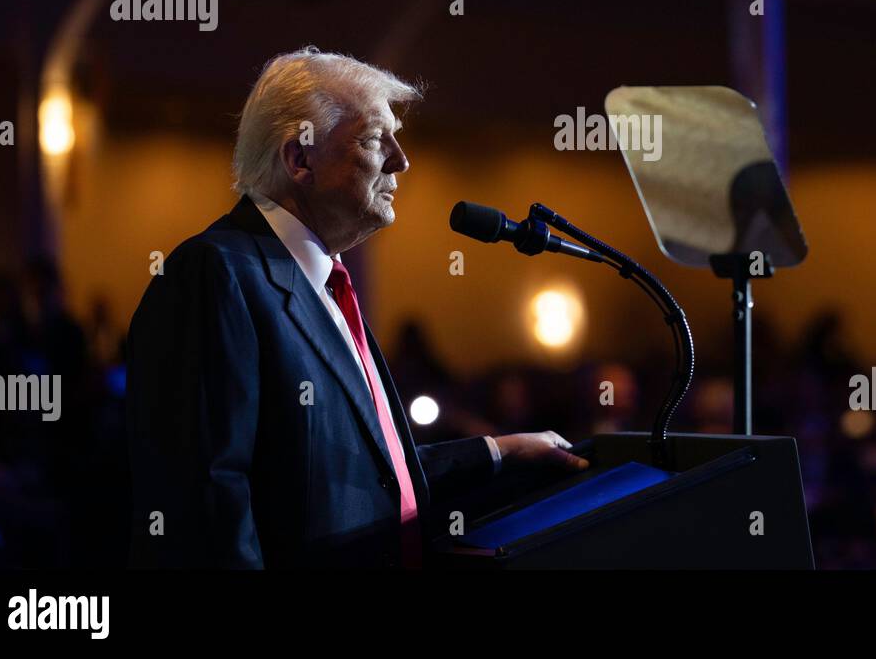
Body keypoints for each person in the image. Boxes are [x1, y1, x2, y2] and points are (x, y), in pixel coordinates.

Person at [126, 47, 587, 568]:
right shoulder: (217, 273)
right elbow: (205, 507)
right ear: (299, 159)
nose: (401, 159)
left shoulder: (323, 282)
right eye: (374, 139)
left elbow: (364, 477)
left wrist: (500, 452)